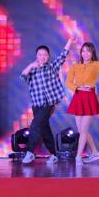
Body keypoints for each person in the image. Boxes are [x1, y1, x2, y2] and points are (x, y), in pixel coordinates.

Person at [20, 36, 75, 164]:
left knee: (35, 126)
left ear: (48, 56)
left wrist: (70, 42)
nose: (42, 57)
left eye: (45, 55)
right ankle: (54, 154)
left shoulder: (52, 67)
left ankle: (30, 152)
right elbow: (22, 77)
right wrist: (31, 66)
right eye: (40, 55)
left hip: (48, 104)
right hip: (37, 105)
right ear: (36, 56)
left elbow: (63, 56)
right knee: (44, 129)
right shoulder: (32, 70)